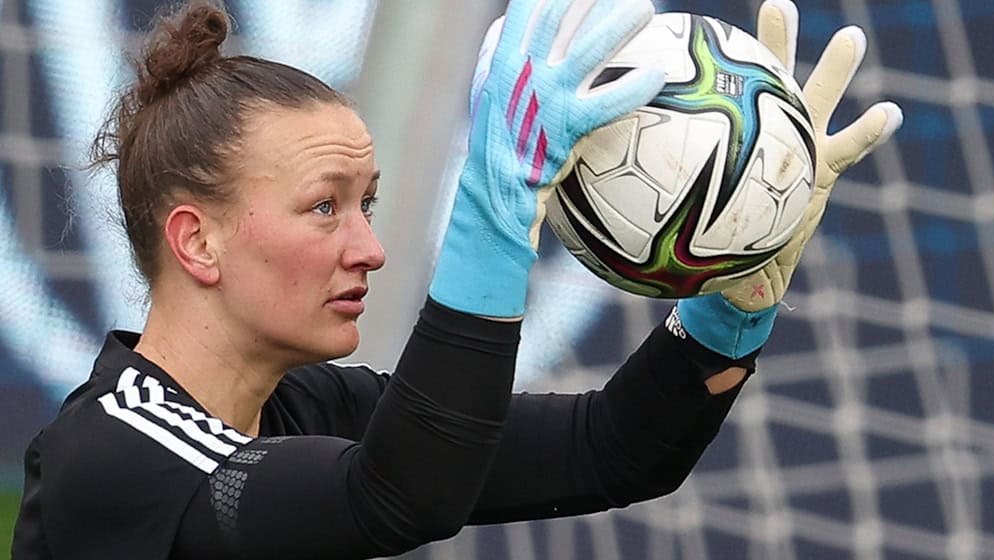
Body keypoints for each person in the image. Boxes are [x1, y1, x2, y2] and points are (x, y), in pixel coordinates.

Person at [11, 0, 902, 558]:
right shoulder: (113, 456)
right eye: (326, 208)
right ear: (196, 243)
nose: (371, 247)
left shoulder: (307, 409)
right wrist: (495, 207)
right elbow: (400, 496)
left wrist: (731, 299)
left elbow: (614, 449)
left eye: (370, 204)